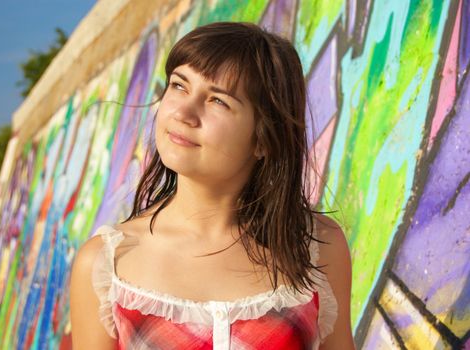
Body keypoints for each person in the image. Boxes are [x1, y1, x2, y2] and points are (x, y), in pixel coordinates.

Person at [70, 22, 354, 349]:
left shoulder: (317, 248)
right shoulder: (106, 264)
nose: (184, 113)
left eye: (218, 101)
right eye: (179, 86)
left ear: (263, 139)